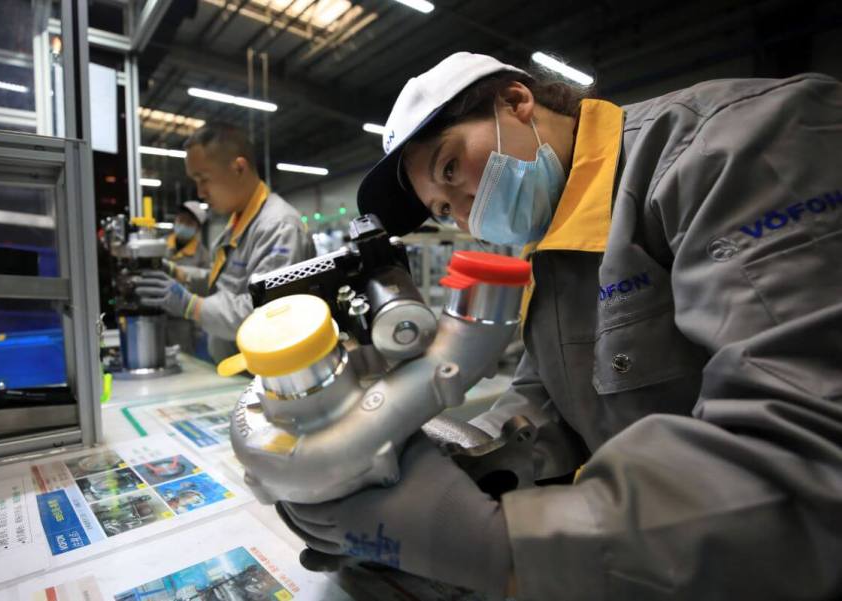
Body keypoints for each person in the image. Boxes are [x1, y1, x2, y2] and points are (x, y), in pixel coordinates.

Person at [279, 52, 842, 599]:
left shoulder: (733, 146)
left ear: (516, 101)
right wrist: (453, 466)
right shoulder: (549, 248)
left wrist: (490, 542)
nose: (467, 214)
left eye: (450, 168)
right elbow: (550, 398)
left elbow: (807, 464)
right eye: (444, 210)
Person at [136, 124, 314, 363]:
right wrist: (178, 272)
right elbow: (228, 283)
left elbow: (267, 311)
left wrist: (192, 306)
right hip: (238, 369)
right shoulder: (237, 224)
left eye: (204, 179)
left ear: (238, 168)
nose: (200, 192)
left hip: (269, 377)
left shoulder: (278, 227)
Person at [164, 200, 210, 354]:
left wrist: (179, 272)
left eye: (188, 222)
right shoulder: (160, 246)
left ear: (197, 228)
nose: (182, 224)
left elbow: (206, 284)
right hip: (158, 316)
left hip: (184, 321)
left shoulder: (203, 255)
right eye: (180, 219)